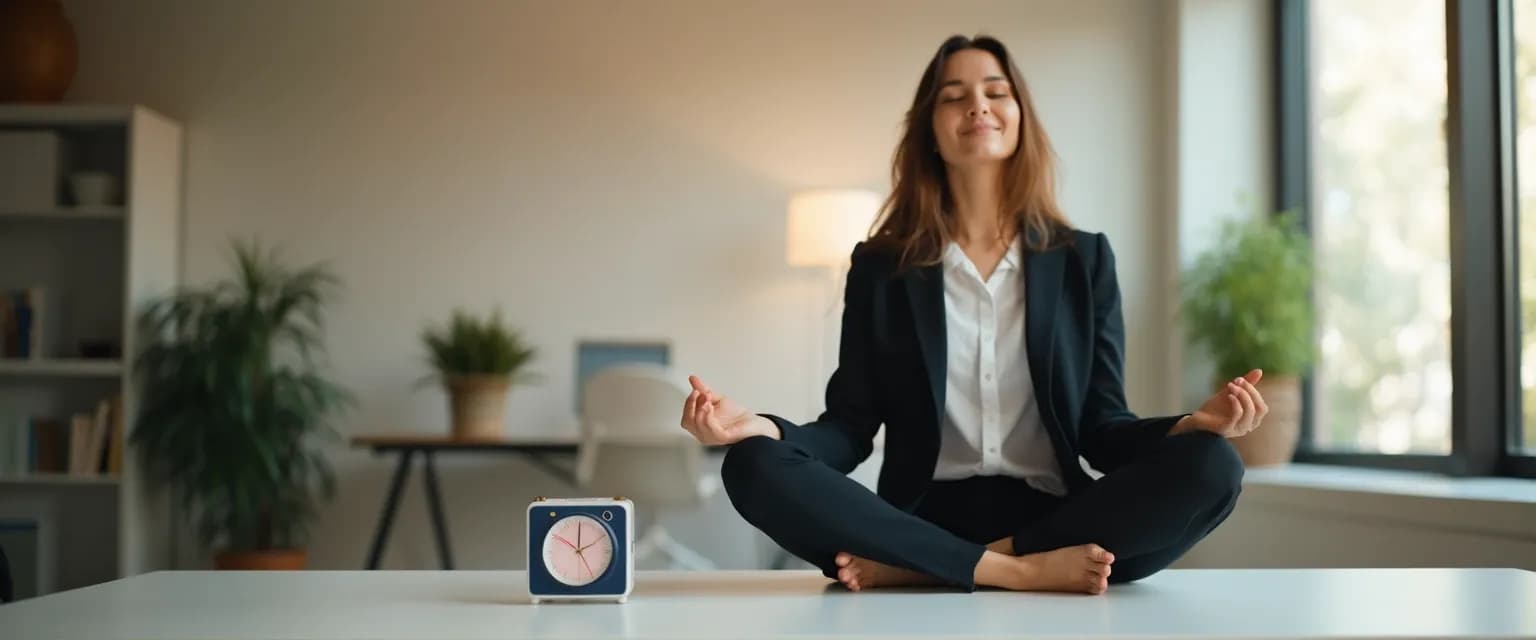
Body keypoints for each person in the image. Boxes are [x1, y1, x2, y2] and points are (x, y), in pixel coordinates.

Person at [677, 34, 1267, 595]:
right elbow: (849, 429)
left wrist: (1194, 426)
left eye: (995, 91)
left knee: (1213, 463)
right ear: (930, 130)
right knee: (753, 465)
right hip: (917, 516)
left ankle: (930, 570)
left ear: (1019, 116)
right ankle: (1014, 572)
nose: (977, 106)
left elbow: (1103, 430)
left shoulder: (1083, 259)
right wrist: (764, 428)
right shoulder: (883, 265)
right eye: (953, 97)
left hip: (1057, 520)